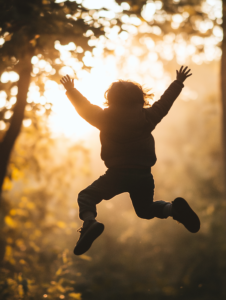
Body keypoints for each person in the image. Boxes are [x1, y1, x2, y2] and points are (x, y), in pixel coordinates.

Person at [60, 66, 200, 256]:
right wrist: (178, 82)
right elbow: (165, 103)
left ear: (110, 99)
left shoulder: (103, 118)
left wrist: (71, 90)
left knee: (86, 196)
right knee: (145, 209)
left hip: (116, 174)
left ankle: (89, 223)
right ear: (140, 99)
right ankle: (173, 209)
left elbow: (84, 108)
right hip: (143, 175)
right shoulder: (147, 117)